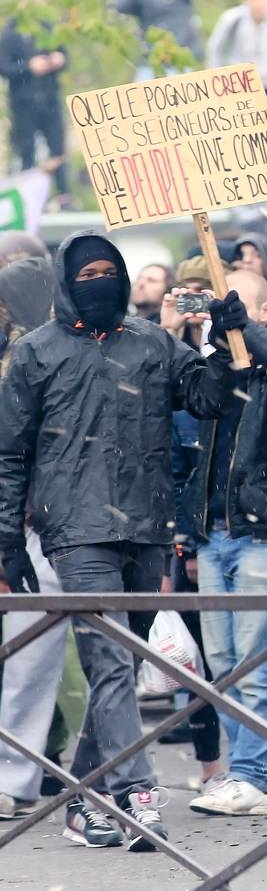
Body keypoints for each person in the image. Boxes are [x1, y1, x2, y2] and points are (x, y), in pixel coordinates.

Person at [0, 231, 236, 850]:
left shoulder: (152, 343)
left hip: (146, 523)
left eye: (110, 271)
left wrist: (224, 342)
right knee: (108, 659)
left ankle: (82, 798)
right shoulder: (37, 354)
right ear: (65, 282)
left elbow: (209, 398)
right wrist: (6, 539)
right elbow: (9, 453)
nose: (100, 281)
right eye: (88, 273)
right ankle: (136, 792)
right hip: (75, 530)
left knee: (123, 663)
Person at [182, 269, 267, 817]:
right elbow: (199, 403)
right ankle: (247, 770)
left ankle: (254, 777)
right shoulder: (221, 352)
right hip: (216, 530)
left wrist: (249, 334)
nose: (225, 313)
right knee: (223, 663)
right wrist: (217, 345)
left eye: (235, 305)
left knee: (257, 659)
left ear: (265, 310)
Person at [0, 255, 64, 822]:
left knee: (30, 658)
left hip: (37, 522)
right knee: (27, 658)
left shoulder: (46, 353)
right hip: (27, 520)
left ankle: (18, 776)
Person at [1, 0, 69, 196]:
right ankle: (28, 196)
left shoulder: (50, 28)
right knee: (26, 150)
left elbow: (65, 55)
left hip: (49, 98)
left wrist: (59, 60)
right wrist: (28, 67)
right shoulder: (11, 32)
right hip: (23, 101)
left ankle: (64, 195)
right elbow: (4, 67)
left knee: (57, 149)